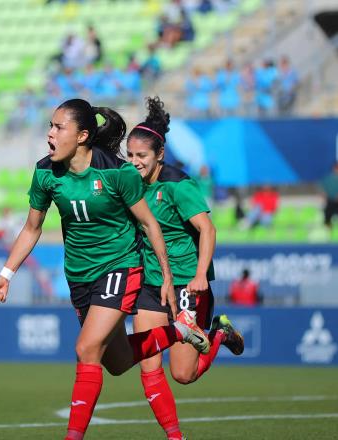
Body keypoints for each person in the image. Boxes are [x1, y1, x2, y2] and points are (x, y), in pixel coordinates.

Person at [0, 98, 210, 440]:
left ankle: (74, 436)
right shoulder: (45, 171)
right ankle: (180, 331)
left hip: (120, 267)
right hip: (79, 275)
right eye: (50, 125)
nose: (50, 133)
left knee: (85, 348)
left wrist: (166, 277)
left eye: (59, 127)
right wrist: (6, 275)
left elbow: (150, 224)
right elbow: (32, 228)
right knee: (117, 363)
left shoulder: (116, 172)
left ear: (82, 136)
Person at [126, 96, 245, 440]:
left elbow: (207, 229)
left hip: (187, 287)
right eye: (130, 155)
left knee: (182, 374)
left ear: (159, 155)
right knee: (148, 364)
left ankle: (219, 333)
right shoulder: (128, 183)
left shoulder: (179, 184)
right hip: (151, 284)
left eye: (141, 156)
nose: (134, 163)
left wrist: (199, 275)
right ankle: (175, 437)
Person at [320, 162, 338, 228]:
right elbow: (322, 189)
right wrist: (325, 196)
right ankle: (328, 229)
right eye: (336, 168)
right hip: (330, 202)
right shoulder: (327, 179)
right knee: (327, 216)